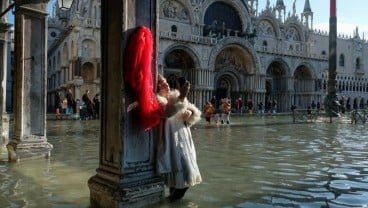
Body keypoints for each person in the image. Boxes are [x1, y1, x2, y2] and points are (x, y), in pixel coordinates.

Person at [156, 76, 202, 202]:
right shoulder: (156, 99)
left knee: (179, 180)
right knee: (183, 178)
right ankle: (171, 201)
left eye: (166, 82)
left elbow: (193, 113)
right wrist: (182, 96)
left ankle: (172, 200)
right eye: (162, 83)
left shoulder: (174, 96)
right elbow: (168, 112)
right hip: (170, 140)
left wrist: (191, 113)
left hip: (184, 139)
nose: (166, 85)